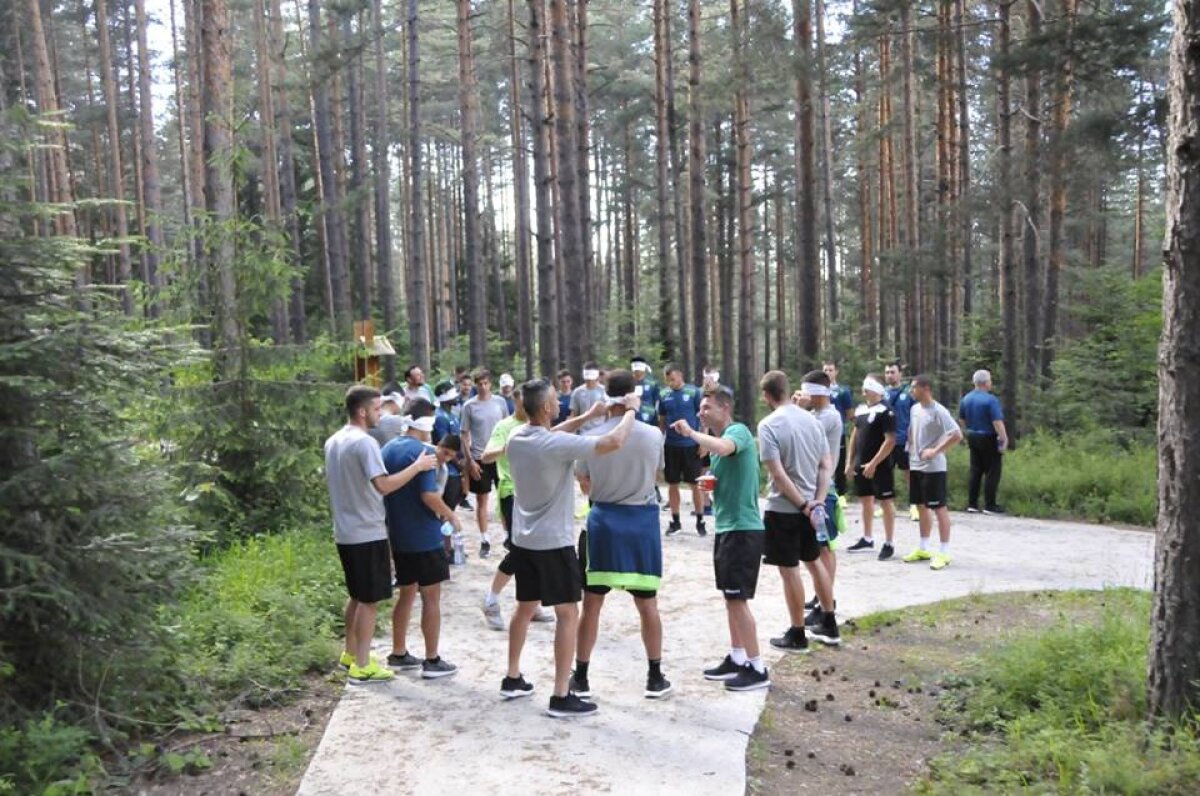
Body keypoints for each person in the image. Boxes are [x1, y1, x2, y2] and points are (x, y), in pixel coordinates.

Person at [502, 379, 637, 718]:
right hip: (553, 542)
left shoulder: (517, 438)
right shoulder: (556, 445)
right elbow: (614, 441)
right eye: (554, 400)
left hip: (525, 540)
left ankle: (512, 676)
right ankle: (562, 694)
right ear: (546, 407)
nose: (559, 403)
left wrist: (588, 414)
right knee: (567, 613)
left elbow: (551, 434)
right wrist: (632, 410)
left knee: (524, 607)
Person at [570, 370, 672, 700]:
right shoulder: (653, 435)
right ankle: (655, 676)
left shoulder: (590, 435)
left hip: (603, 523)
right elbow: (657, 474)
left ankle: (581, 677)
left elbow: (583, 481)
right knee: (647, 605)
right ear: (633, 395)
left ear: (606, 394)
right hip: (641, 523)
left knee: (592, 605)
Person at [325, 385, 437, 684]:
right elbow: (384, 485)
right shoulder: (365, 443)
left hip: (345, 530)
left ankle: (351, 654)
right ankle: (362, 665)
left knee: (357, 596)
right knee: (370, 600)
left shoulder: (334, 441)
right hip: (366, 530)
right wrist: (418, 466)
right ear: (362, 411)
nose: (381, 414)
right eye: (377, 409)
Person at [673, 388, 770, 692]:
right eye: (700, 409)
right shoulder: (716, 447)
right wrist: (712, 484)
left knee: (738, 600)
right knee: (731, 598)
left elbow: (727, 447)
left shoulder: (737, 431)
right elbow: (725, 464)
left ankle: (757, 667)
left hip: (743, 529)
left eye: (706, 407)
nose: (700, 413)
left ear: (724, 408)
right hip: (727, 527)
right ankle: (737, 657)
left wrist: (691, 433)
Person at [757, 372, 839, 655]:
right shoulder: (812, 421)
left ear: (767, 396)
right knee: (815, 562)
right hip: (811, 507)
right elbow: (825, 465)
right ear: (787, 389)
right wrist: (816, 501)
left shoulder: (768, 425)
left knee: (789, 571)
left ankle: (797, 633)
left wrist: (803, 505)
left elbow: (777, 474)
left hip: (785, 508)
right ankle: (829, 621)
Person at [380, 399, 461, 679]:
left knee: (406, 593)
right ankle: (432, 659)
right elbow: (428, 496)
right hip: (425, 537)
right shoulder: (424, 455)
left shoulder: (388, 449)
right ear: (427, 422)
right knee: (431, 597)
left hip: (399, 535)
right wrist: (451, 515)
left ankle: (399, 652)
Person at [479, 386, 555, 629]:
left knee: (534, 549)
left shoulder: (542, 425)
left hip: (538, 493)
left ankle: (531, 604)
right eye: (523, 403)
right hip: (512, 492)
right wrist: (509, 446)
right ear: (516, 403)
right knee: (518, 550)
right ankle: (491, 599)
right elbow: (486, 456)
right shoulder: (505, 427)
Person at [797, 371, 845, 631]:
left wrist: (798, 411)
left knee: (824, 549)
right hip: (810, 489)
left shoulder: (829, 417)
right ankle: (821, 597)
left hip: (822, 492)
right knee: (817, 549)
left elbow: (806, 436)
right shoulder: (813, 415)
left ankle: (826, 603)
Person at [903, 375, 964, 570]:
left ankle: (944, 552)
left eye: (914, 387)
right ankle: (923, 547)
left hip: (934, 468)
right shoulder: (914, 409)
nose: (911, 391)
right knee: (921, 506)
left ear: (926, 388)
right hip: (916, 465)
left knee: (939, 508)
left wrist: (936, 451)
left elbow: (956, 435)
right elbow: (913, 432)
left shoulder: (939, 411)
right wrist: (910, 448)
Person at [844, 375, 898, 560]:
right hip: (861, 462)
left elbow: (890, 440)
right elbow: (855, 435)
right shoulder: (860, 410)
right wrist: (850, 462)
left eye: (867, 388)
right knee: (865, 499)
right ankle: (867, 538)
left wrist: (874, 463)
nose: (864, 391)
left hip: (880, 465)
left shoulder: (887, 411)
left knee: (885, 501)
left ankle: (889, 542)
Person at [460, 369, 510, 558]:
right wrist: (470, 461)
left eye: (486, 383)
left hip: (498, 455)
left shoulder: (500, 402)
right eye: (479, 383)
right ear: (475, 385)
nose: (483, 386)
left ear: (491, 383)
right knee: (482, 499)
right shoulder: (469, 406)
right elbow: (464, 433)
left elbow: (507, 425)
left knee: (505, 496)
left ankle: (507, 536)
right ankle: (484, 538)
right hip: (479, 456)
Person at [658, 363, 707, 536]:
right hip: (671, 445)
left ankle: (700, 520)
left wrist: (704, 442)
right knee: (672, 484)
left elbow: (703, 419)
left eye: (672, 379)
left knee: (695, 484)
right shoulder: (664, 394)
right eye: (667, 380)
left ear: (680, 375)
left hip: (691, 445)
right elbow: (662, 419)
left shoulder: (694, 392)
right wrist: (659, 439)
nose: (670, 383)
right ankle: (676, 520)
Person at [958, 369, 1009, 514]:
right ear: (986, 383)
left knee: (975, 470)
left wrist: (966, 432)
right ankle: (990, 505)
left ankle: (972, 503)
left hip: (973, 435)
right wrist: (1004, 438)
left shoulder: (966, 399)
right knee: (993, 470)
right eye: (990, 380)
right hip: (988, 436)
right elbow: (997, 421)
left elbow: (961, 419)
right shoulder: (990, 400)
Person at [884, 361, 919, 522]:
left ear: (900, 374)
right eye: (887, 372)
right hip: (886, 441)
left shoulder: (908, 393)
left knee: (909, 473)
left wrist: (913, 439)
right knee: (885, 474)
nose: (889, 375)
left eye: (892, 372)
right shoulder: (881, 393)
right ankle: (887, 505)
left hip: (904, 440)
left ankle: (914, 505)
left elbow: (916, 415)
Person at [823, 361, 854, 500]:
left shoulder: (843, 391)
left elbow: (849, 413)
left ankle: (841, 493)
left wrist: (844, 425)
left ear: (836, 372)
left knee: (840, 461)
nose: (828, 373)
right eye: (825, 370)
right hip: (821, 432)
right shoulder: (819, 390)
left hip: (838, 432)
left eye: (830, 370)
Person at [432, 381, 465, 514]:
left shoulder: (453, 416)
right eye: (453, 395)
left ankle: (449, 533)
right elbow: (445, 447)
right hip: (449, 469)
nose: (457, 397)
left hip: (456, 469)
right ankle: (445, 533)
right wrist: (460, 466)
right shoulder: (440, 417)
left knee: (453, 505)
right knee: (446, 508)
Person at [570, 362, 608, 433]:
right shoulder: (577, 392)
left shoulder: (605, 391)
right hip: (583, 432)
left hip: (601, 431)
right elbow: (574, 414)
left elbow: (608, 413)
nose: (589, 379)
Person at [630, 355, 660, 426]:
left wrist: (657, 416)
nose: (637, 372)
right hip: (632, 419)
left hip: (650, 418)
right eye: (635, 370)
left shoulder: (652, 383)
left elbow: (657, 401)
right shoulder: (628, 382)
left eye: (638, 369)